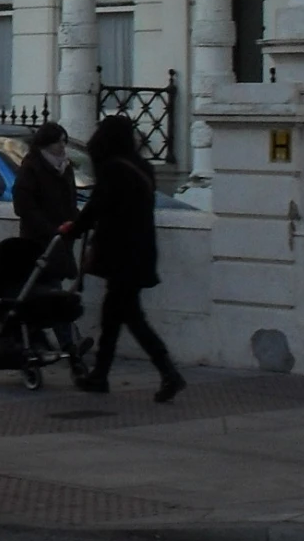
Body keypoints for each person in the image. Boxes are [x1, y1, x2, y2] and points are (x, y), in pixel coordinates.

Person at [65, 113, 185, 402]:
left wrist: (74, 228)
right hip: (140, 252)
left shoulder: (114, 168)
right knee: (116, 317)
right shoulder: (141, 166)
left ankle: (169, 373)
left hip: (121, 255)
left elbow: (98, 205)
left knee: (130, 318)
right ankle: (101, 376)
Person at [10, 121, 85, 361]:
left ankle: (52, 340)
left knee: (45, 293)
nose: (63, 146)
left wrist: (78, 224)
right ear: (45, 144)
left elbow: (70, 203)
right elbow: (24, 206)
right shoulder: (32, 168)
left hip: (61, 241)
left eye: (65, 141)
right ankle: (70, 343)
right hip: (38, 242)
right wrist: (49, 229)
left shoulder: (65, 168)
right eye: (58, 142)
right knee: (52, 292)